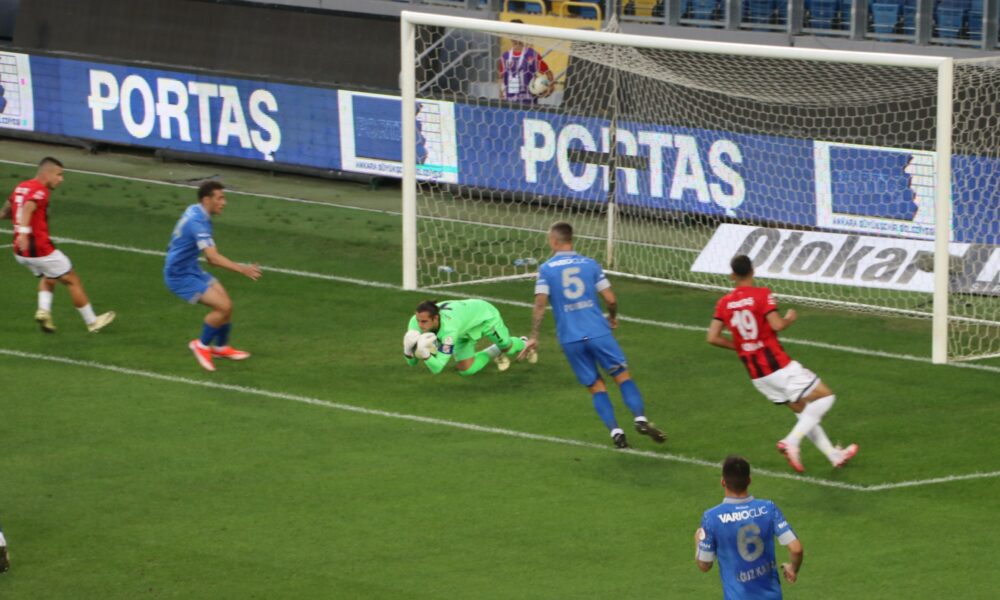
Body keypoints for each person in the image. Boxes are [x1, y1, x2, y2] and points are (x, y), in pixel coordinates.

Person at [521, 222, 666, 449]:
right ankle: (639, 418)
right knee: (621, 376)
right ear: (571, 239)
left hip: (570, 338)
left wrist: (534, 336)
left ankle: (616, 432)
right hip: (598, 332)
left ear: (553, 241)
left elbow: (540, 304)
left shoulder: (546, 269)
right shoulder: (590, 264)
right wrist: (612, 317)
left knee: (596, 387)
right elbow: (611, 299)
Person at [707, 255, 858, 472]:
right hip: (778, 366)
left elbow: (712, 337)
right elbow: (777, 325)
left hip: (758, 376)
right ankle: (791, 441)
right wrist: (789, 318)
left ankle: (834, 456)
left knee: (804, 413)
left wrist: (741, 347)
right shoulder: (762, 294)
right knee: (826, 397)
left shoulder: (724, 303)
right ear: (753, 271)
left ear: (732, 275)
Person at [2, 157, 115, 333]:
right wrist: (23, 232)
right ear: (46, 173)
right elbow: (29, 206)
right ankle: (92, 322)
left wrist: (14, 225)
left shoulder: (21, 187)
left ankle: (44, 312)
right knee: (72, 280)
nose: (61, 179)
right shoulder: (40, 190)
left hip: (20, 252)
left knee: (49, 277)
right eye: (59, 175)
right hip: (39, 249)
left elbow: (7, 210)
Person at [164, 181, 261, 372]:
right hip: (179, 276)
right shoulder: (197, 222)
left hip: (190, 268)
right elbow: (213, 259)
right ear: (206, 200)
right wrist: (242, 269)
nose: (224, 203)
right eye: (220, 198)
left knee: (227, 304)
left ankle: (221, 348)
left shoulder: (196, 211)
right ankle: (201, 345)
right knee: (222, 307)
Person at [695, 456, 803, 599]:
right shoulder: (768, 508)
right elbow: (796, 549)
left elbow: (704, 565)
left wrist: (698, 541)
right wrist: (793, 569)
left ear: (723, 482)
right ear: (749, 480)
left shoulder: (712, 517)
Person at [404, 299, 536, 376]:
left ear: (436, 318)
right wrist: (408, 350)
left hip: (485, 318)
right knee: (466, 370)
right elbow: (412, 363)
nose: (420, 325)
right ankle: (495, 351)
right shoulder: (414, 323)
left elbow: (437, 368)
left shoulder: (449, 330)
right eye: (418, 320)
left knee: (508, 348)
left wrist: (425, 354)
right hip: (463, 330)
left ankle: (524, 342)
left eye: (424, 321)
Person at [498, 20, 555, 104]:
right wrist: (501, 94)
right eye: (511, 32)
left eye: (517, 31)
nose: (515, 35)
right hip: (510, 102)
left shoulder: (532, 55)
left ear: (522, 33)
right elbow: (502, 78)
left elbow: (548, 73)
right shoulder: (505, 57)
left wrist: (550, 87)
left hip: (529, 102)